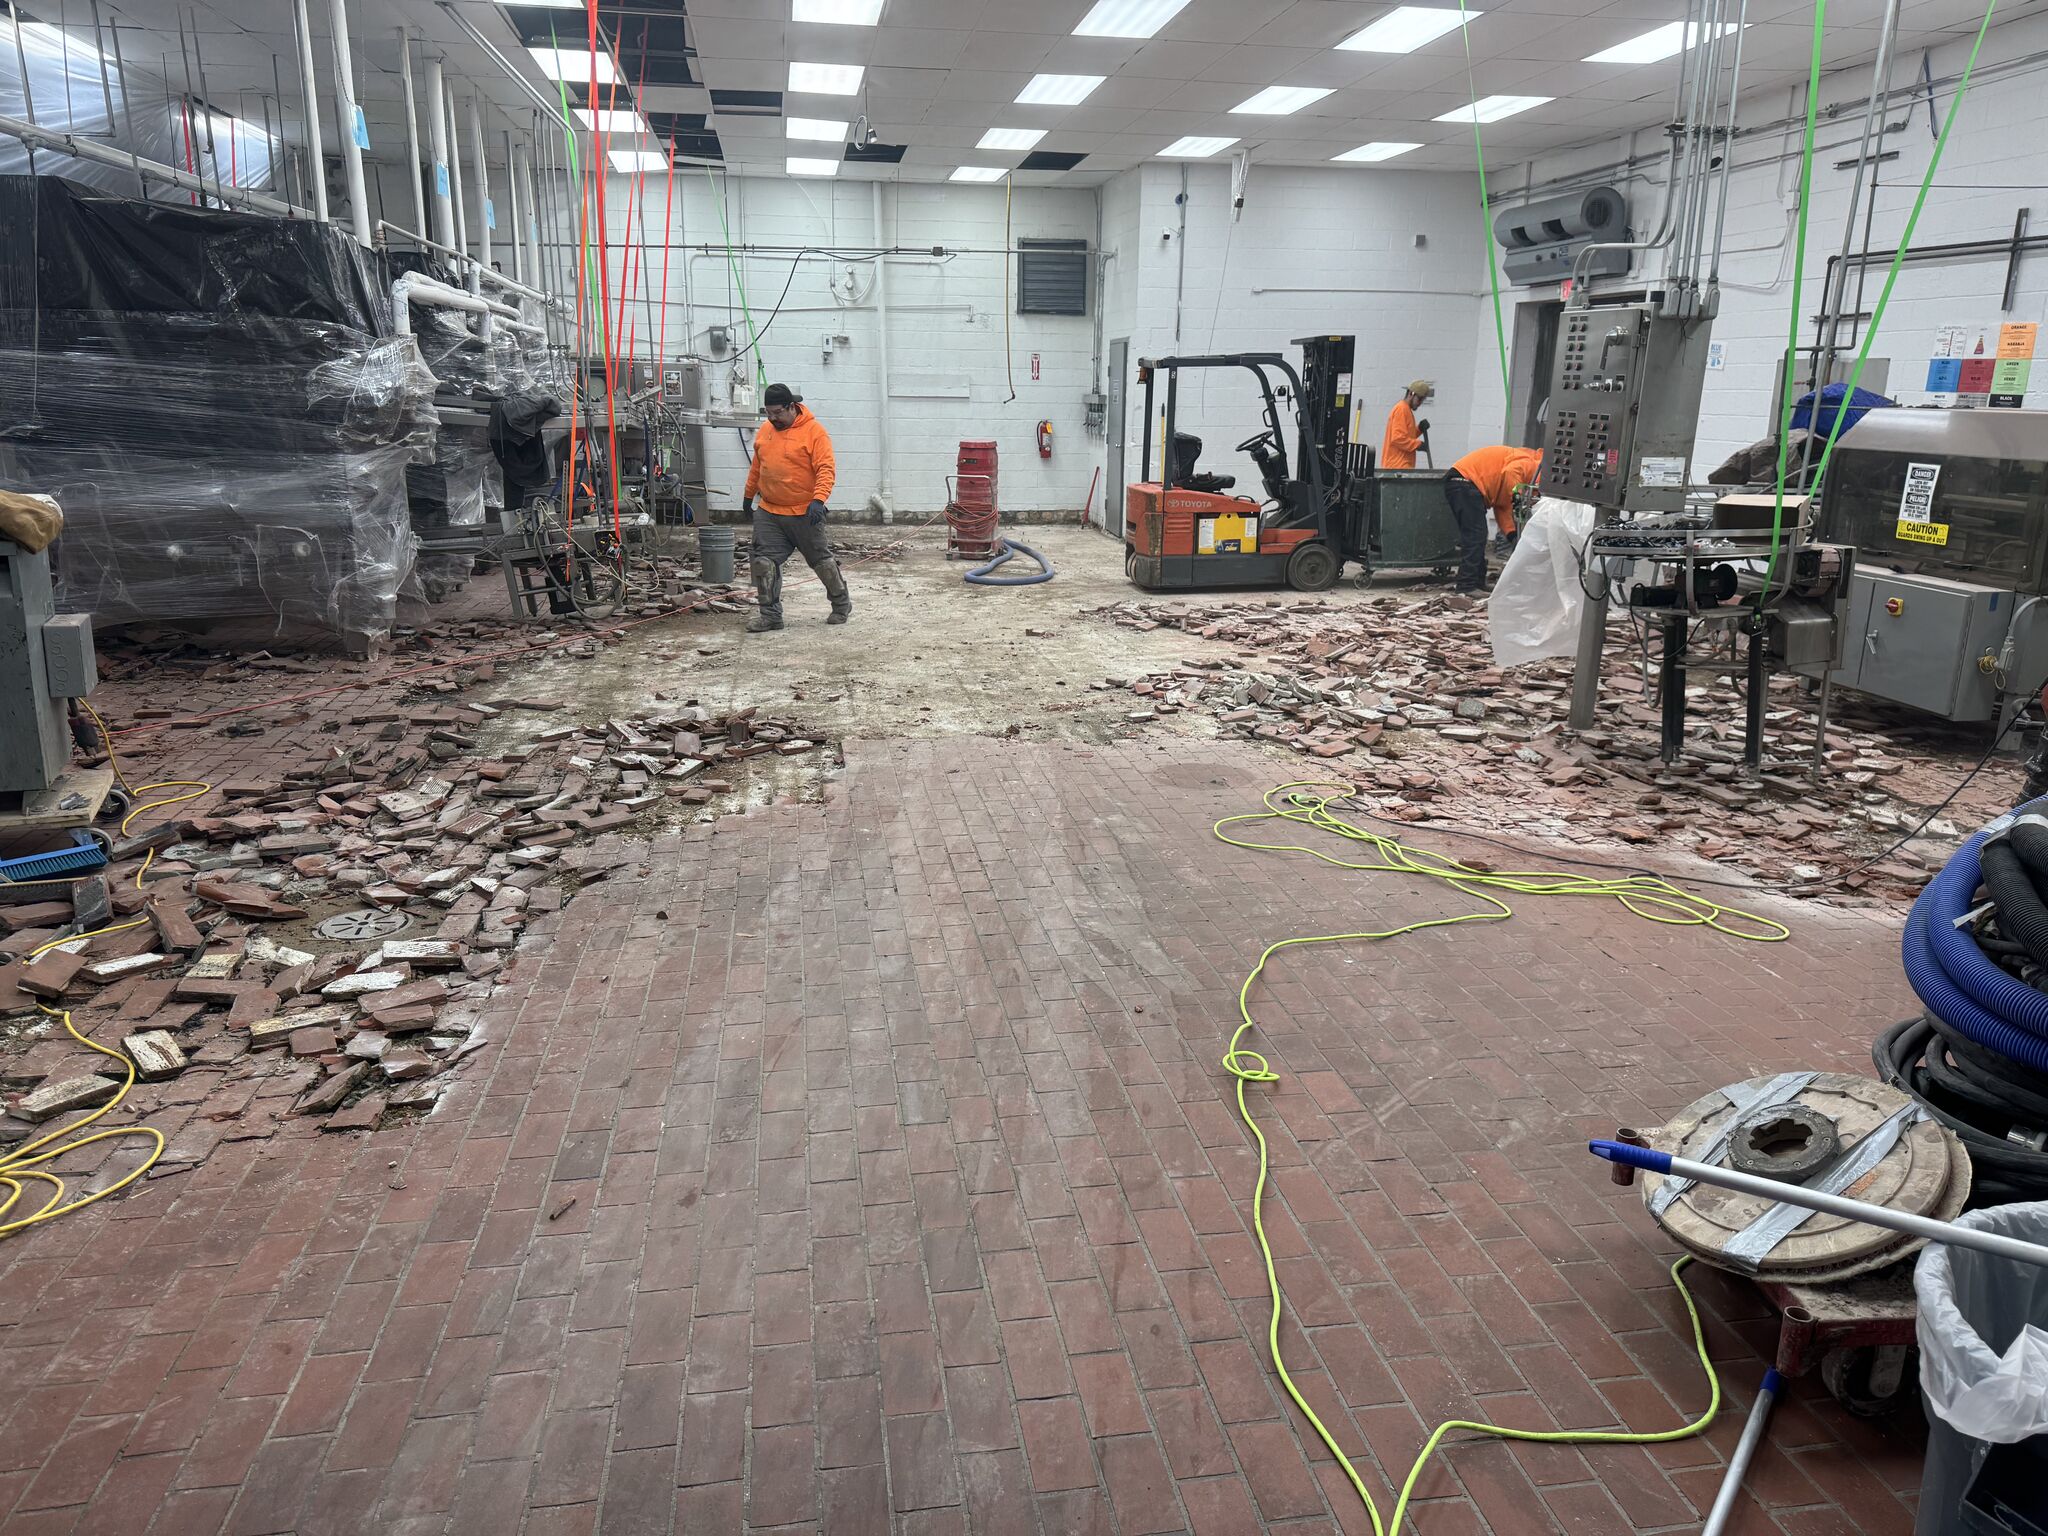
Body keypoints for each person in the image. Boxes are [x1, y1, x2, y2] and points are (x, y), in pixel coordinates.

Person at [742, 383, 850, 631]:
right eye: (768, 413)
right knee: (763, 563)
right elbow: (758, 467)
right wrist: (748, 497)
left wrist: (818, 500)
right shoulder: (765, 431)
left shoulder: (814, 432)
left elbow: (826, 469)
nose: (772, 418)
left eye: (777, 412)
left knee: (822, 562)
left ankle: (841, 604)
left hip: (804, 513)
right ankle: (770, 616)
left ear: (792, 407)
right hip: (770, 511)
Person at [1444, 444, 1543, 595]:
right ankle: (1466, 586)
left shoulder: (1518, 474)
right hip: (1464, 481)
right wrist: (1518, 497)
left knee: (1477, 535)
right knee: (1475, 536)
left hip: (1463, 483)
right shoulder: (1532, 465)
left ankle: (1477, 582)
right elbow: (1511, 472)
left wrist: (1512, 535)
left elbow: (1502, 508)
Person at [1380, 380, 1433, 470]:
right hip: (1397, 467)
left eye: (1422, 400)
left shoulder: (1406, 410)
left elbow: (1406, 436)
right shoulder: (1401, 409)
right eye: (1419, 399)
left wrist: (1419, 429)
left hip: (1400, 466)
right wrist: (1418, 444)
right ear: (1411, 394)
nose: (1420, 403)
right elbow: (1398, 439)